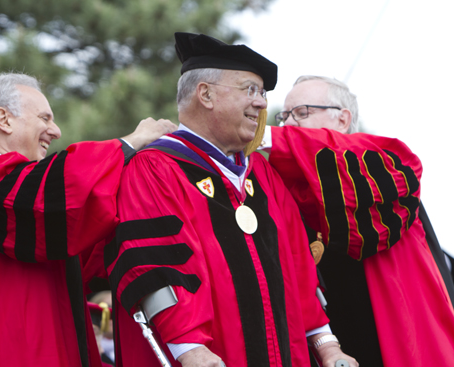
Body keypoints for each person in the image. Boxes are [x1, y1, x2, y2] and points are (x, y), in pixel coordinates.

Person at [104, 33, 358, 367]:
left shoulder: (262, 175)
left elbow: (299, 264)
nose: (263, 104)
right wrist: (189, 348)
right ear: (205, 94)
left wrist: (327, 345)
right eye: (250, 90)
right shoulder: (156, 168)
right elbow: (156, 263)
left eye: (263, 93)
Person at [0, 72, 175, 367]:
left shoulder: (39, 210)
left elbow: (90, 253)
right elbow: (54, 190)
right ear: (4, 119)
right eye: (44, 118)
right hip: (16, 354)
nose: (56, 130)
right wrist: (130, 142)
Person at [262, 75, 454, 366]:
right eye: (284, 117)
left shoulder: (382, 164)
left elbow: (329, 157)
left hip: (399, 340)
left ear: (343, 119)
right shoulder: (284, 187)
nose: (289, 125)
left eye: (302, 113)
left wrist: (259, 135)